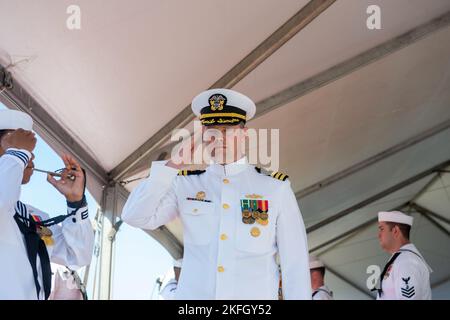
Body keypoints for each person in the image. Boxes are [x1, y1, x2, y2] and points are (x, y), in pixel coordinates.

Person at [122, 88, 311, 299]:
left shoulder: (275, 188)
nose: (218, 138)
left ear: (244, 133)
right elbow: (134, 216)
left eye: (226, 130)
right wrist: (172, 166)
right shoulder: (184, 184)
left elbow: (295, 264)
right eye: (211, 131)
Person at [0, 109, 94, 300]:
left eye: (29, 152)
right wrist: (17, 156)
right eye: (18, 147)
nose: (30, 158)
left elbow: (77, 255)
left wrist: (76, 203)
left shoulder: (34, 218)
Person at [375, 211, 432, 300]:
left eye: (382, 229)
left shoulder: (406, 261)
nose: (378, 235)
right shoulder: (401, 259)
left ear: (395, 231)